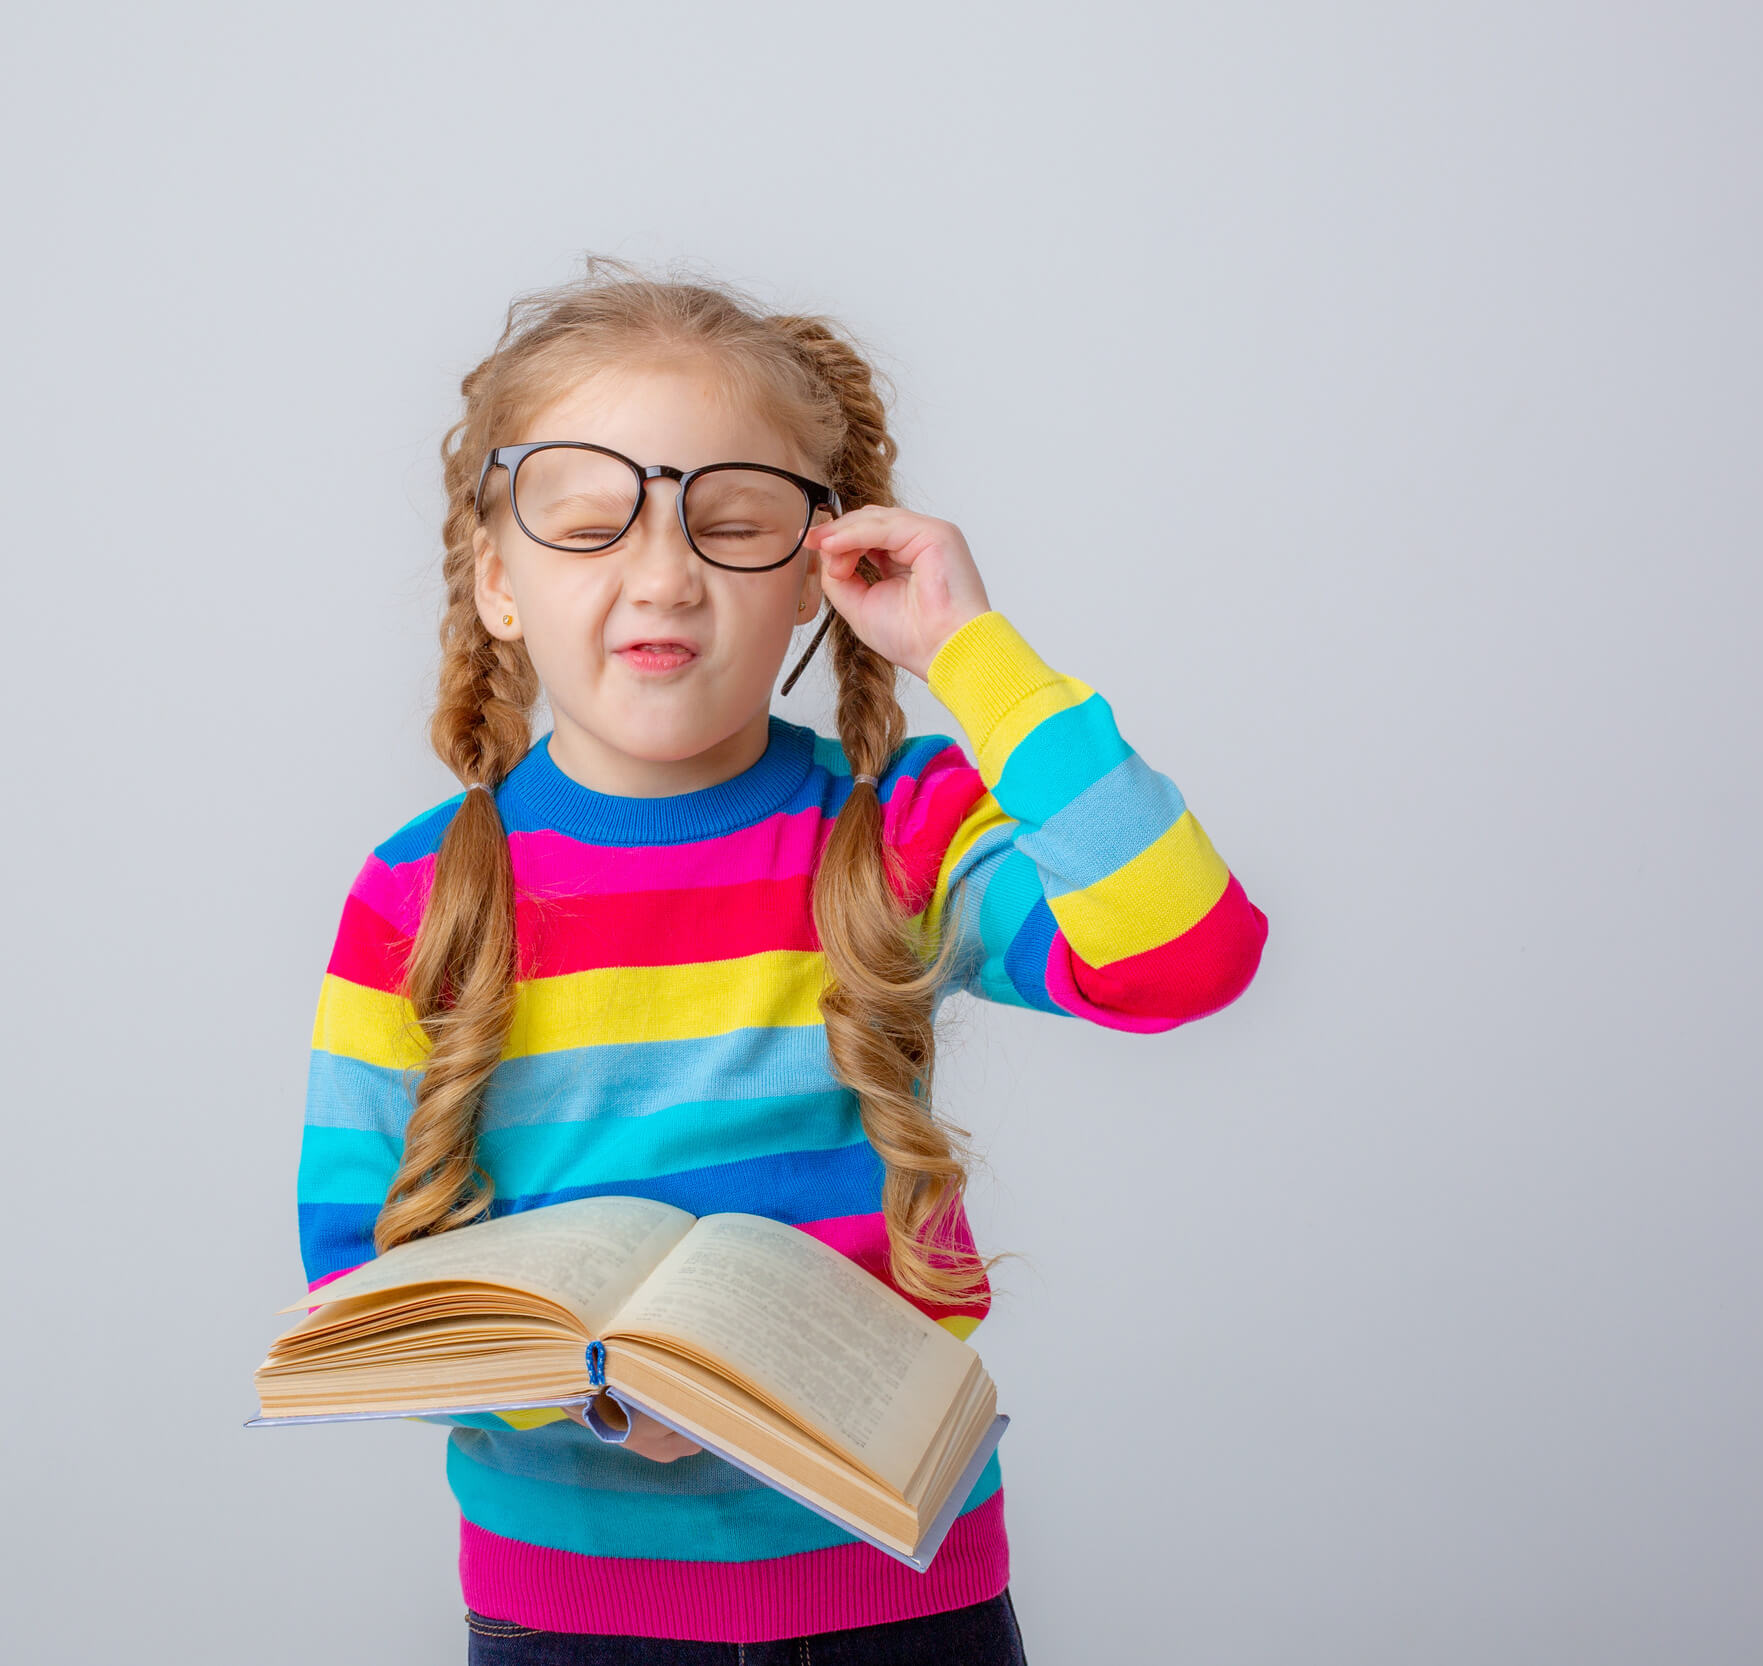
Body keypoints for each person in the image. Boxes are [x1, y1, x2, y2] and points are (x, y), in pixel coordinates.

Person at [291, 257, 1270, 1663]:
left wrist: (971, 651)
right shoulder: (415, 893)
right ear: (498, 579)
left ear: (816, 577)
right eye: (588, 522)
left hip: (897, 1590)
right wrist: (593, 1393)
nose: (665, 573)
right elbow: (356, 1283)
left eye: (734, 523)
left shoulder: (898, 832)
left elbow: (1192, 953)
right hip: (572, 1614)